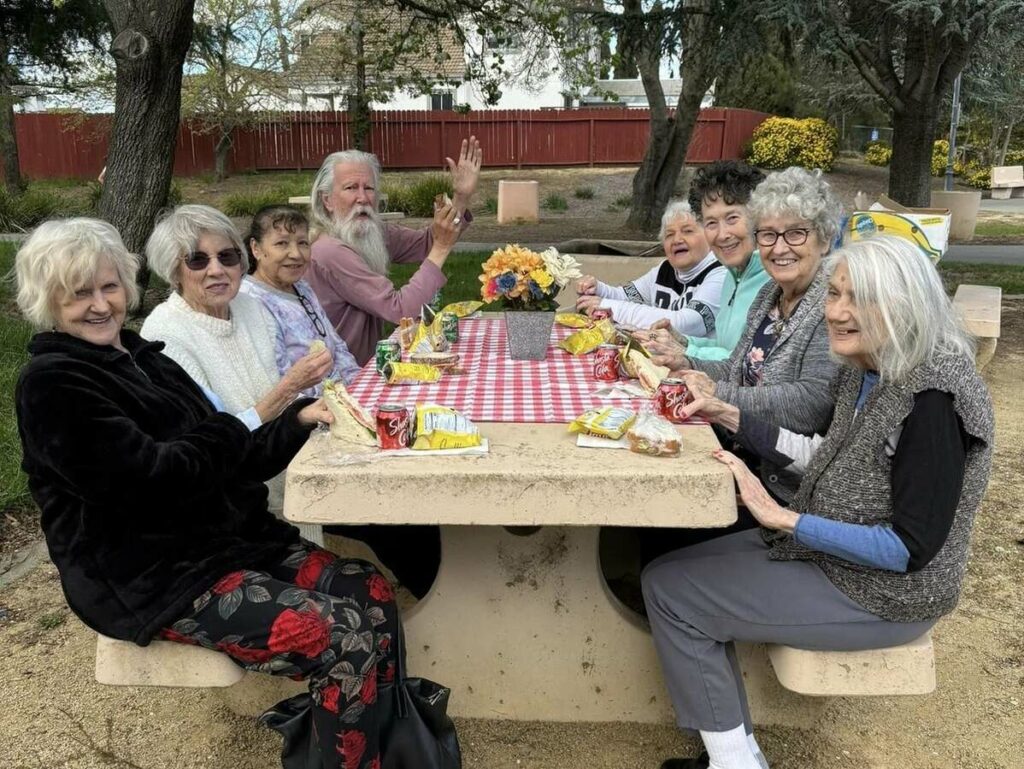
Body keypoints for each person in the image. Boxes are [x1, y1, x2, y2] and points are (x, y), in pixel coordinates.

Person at [13, 218, 402, 769]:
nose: (100, 305)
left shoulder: (145, 357)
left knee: (370, 592)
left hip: (229, 543)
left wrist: (296, 421)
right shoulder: (53, 384)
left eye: (110, 287)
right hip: (155, 572)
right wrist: (233, 427)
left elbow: (230, 458)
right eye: (79, 294)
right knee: (344, 635)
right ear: (48, 302)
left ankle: (372, 741)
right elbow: (154, 479)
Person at [642, 235, 994, 769]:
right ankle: (736, 752)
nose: (837, 312)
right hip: (836, 558)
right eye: (833, 294)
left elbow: (909, 549)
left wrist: (785, 517)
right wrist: (725, 414)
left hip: (886, 593)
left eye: (862, 298)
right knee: (665, 568)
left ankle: (735, 762)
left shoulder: (933, 400)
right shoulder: (870, 364)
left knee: (674, 594)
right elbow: (828, 456)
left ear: (908, 304)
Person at [140, 204, 333, 512]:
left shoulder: (250, 308)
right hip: (240, 501)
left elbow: (285, 412)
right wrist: (289, 388)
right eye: (197, 259)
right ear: (174, 270)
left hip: (299, 468)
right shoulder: (165, 336)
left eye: (226, 257)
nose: (216, 270)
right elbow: (210, 442)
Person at [307, 138, 483, 365]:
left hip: (367, 367)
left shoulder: (366, 232)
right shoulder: (329, 251)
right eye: (351, 188)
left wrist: (461, 198)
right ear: (327, 200)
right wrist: (441, 248)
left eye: (369, 188)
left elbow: (427, 242)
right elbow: (400, 310)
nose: (363, 198)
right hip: (342, 380)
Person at [639, 161, 769, 360]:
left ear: (759, 219)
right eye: (711, 223)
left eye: (732, 218)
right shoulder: (732, 275)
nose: (722, 234)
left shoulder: (775, 281)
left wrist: (687, 352)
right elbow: (724, 345)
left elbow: (749, 364)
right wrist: (682, 340)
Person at [239, 204, 360, 392]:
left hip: (343, 397)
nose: (296, 254)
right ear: (256, 248)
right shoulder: (250, 301)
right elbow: (279, 382)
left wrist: (359, 386)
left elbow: (337, 345)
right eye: (282, 243)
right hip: (306, 411)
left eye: (303, 243)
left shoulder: (301, 287)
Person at [574, 200, 724, 337]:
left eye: (688, 231)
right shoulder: (665, 269)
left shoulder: (721, 273)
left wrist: (609, 307)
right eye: (669, 234)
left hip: (702, 364)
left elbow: (686, 325)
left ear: (709, 236)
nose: (677, 240)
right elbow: (627, 296)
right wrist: (598, 290)